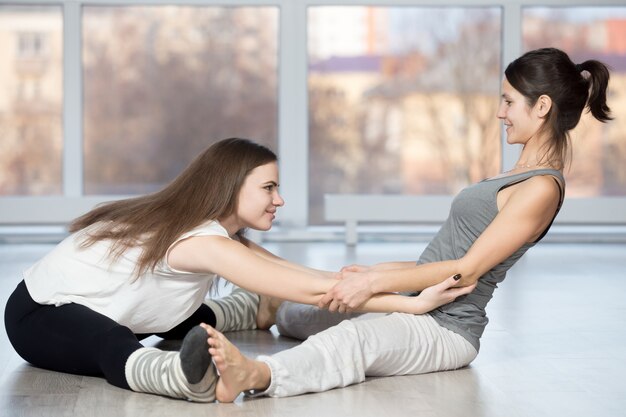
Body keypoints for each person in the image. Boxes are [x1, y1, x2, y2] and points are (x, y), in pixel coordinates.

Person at [201, 47, 613, 402]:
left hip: (446, 328)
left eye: (508, 101)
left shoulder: (541, 187)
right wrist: (380, 274)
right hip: (416, 292)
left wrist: (376, 285)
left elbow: (465, 270)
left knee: (353, 339)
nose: (500, 112)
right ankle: (264, 309)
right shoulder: (517, 173)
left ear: (541, 106)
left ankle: (255, 376)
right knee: (315, 310)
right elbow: (446, 252)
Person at [3, 138, 469, 403]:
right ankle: (184, 377)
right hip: (40, 314)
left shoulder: (219, 237)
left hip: (122, 306)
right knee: (108, 343)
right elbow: (315, 290)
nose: (279, 199)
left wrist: (409, 297)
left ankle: (250, 308)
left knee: (189, 315)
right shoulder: (202, 242)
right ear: (230, 188)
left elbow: (306, 278)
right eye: (269, 187)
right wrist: (417, 298)